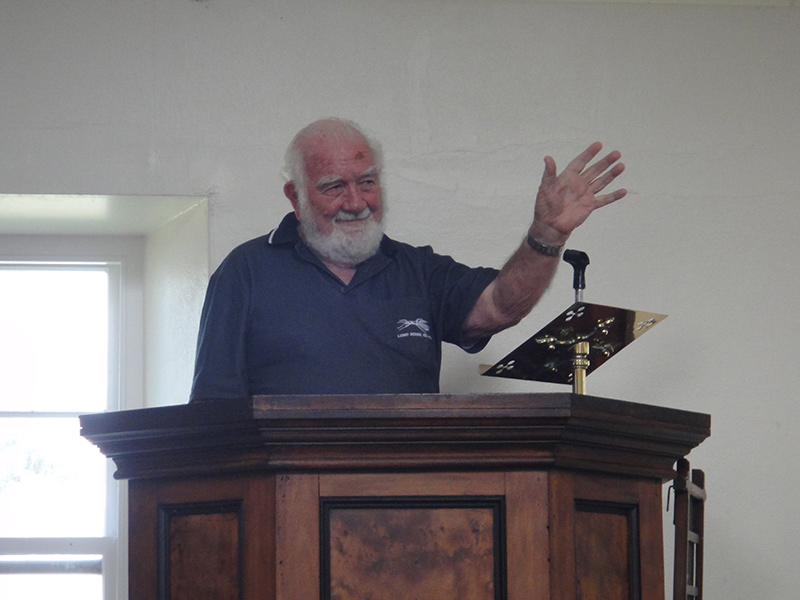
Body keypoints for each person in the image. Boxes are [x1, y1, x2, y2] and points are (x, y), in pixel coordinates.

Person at [190, 118, 626, 400]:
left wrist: (547, 235)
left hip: (410, 512)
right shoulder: (246, 272)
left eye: (367, 181)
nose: (356, 201)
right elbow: (212, 420)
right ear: (295, 197)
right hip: (286, 514)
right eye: (333, 186)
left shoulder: (417, 271)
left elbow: (501, 305)